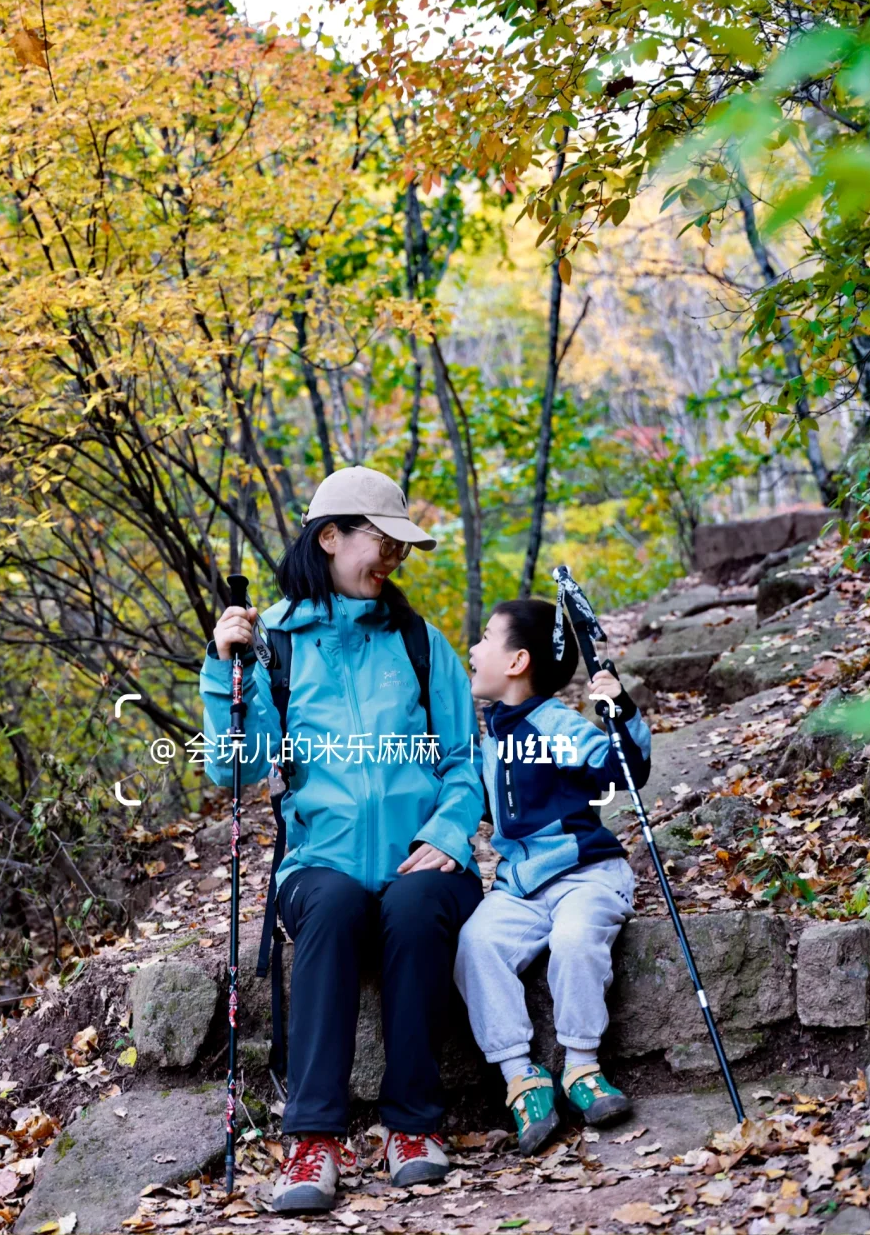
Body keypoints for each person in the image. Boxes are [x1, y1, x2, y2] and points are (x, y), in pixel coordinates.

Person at [200, 466, 484, 1213]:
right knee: (328, 906)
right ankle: (313, 1139)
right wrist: (221, 672)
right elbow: (237, 771)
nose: (393, 559)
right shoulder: (273, 648)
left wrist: (451, 831)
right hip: (318, 861)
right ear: (329, 537)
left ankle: (412, 1128)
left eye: (401, 548)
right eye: (381, 542)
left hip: (425, 856)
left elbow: (463, 759)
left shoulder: (420, 643)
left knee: (416, 905)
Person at [454, 598, 652, 1155]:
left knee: (573, 939)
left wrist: (620, 710)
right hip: (519, 884)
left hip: (583, 874)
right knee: (476, 943)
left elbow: (624, 770)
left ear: (516, 661)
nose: (473, 648)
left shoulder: (554, 724)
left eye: (486, 637)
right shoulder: (491, 738)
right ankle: (522, 1076)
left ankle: (582, 1069)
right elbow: (474, 803)